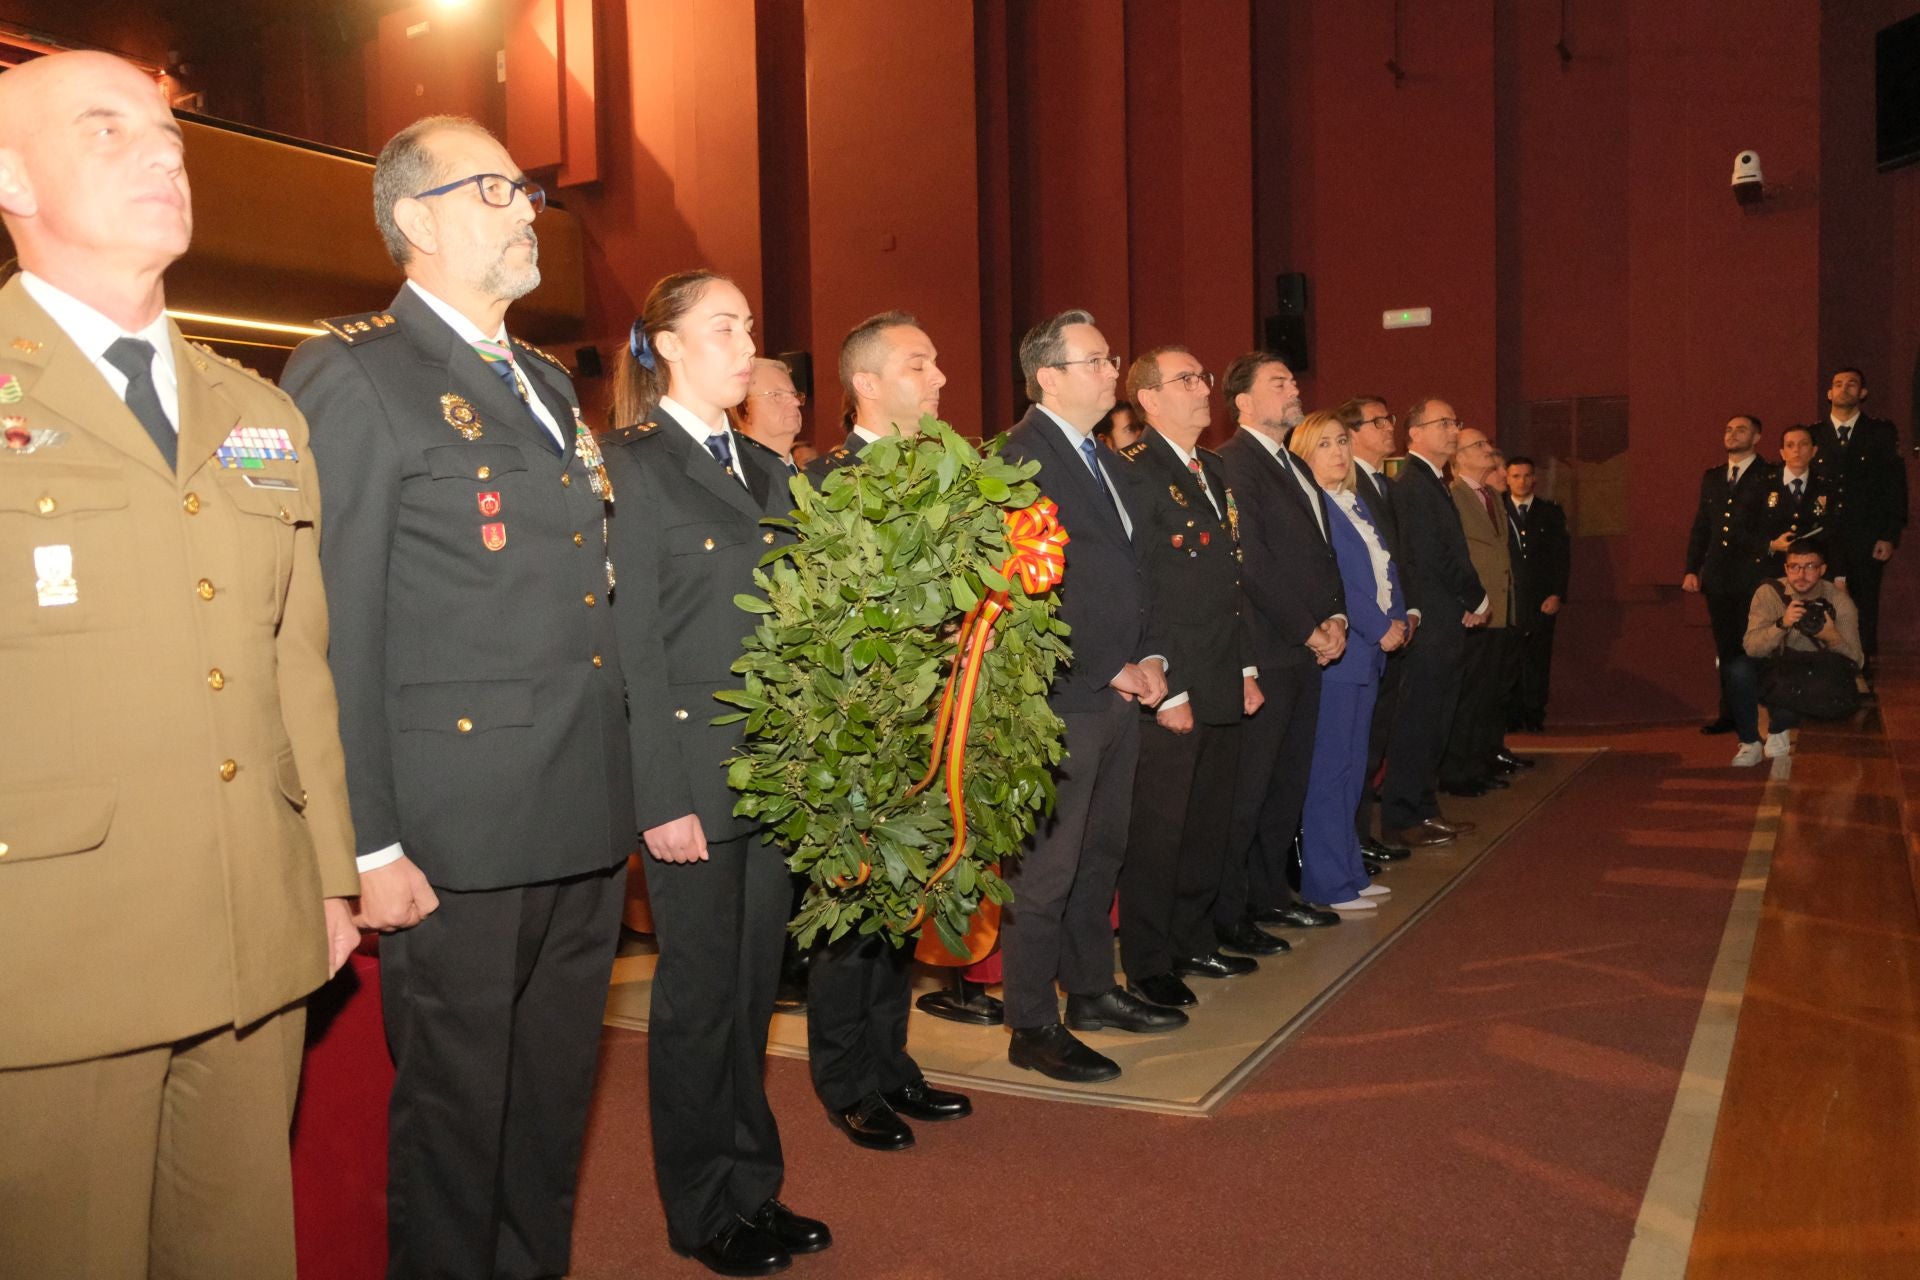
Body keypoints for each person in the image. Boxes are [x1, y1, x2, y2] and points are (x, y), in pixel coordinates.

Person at [0, 51, 358, 1280]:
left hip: (251, 928)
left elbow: (292, 663)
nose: (163, 152)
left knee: (239, 1251)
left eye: (170, 132)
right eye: (107, 130)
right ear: (7, 174)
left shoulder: (257, 411)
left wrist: (326, 877)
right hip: (49, 946)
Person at [282, 114, 635, 1280]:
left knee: (546, 1109)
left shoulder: (538, 379)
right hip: (455, 831)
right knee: (454, 1123)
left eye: (528, 189)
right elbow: (336, 624)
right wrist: (366, 838)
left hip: (577, 809)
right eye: (498, 189)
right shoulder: (358, 369)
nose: (527, 207)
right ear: (419, 219)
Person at [600, 270, 832, 1277]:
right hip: (695, 773)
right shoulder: (631, 464)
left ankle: (753, 1183)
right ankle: (701, 1207)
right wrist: (660, 795)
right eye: (723, 326)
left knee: (748, 997)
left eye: (749, 325)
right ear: (665, 346)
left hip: (770, 776)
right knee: (698, 1002)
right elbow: (632, 645)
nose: (746, 345)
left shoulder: (766, 467)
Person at [798, 312, 972, 1152]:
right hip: (858, 728)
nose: (939, 377)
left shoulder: (944, 476)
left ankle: (890, 1058)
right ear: (867, 384)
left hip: (930, 723)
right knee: (852, 905)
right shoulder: (828, 481)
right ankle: (844, 1077)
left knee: (902, 901)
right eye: (919, 363)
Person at [997, 309, 1182, 1084]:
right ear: (1050, 377)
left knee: (1100, 854)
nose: (1114, 371)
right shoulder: (1020, 459)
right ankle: (1032, 1021)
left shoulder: (1099, 456)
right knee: (1046, 870)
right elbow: (1024, 592)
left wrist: (1152, 654)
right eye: (1098, 360)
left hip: (1116, 686)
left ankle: (1093, 992)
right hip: (1061, 697)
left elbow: (1132, 576)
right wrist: (1110, 663)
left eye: (1110, 359)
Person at [1111, 347, 1267, 1009]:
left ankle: (1194, 936)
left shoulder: (1211, 469)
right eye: (1186, 380)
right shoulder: (1135, 473)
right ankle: (1149, 961)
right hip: (1171, 679)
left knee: (1210, 818)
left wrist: (1248, 666)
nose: (1204, 389)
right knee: (1161, 829)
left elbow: (1232, 576)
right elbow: (1141, 588)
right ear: (1148, 398)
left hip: (1222, 667)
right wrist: (1167, 689)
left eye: (1204, 378)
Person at [1214, 355, 1349, 946]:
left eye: (1294, 380)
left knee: (1288, 783)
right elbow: (1252, 562)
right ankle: (1233, 911)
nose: (1295, 389)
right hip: (1268, 648)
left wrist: (1337, 615)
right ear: (1242, 402)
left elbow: (1322, 551)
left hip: (1306, 646)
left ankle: (1273, 895)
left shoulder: (1294, 462)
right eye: (1279, 383)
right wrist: (1306, 628)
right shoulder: (1232, 463)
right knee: (1252, 788)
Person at [1291, 413, 1407, 912]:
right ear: (1303, 454)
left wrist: (1400, 616)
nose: (1338, 452)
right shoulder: (1314, 507)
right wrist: (1381, 627)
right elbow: (1341, 585)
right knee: (1330, 771)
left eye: (1342, 441)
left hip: (1370, 654)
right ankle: (1327, 882)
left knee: (1354, 770)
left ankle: (1351, 873)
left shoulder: (1355, 501)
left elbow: (1386, 568)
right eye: (1324, 444)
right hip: (1344, 654)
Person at [1379, 399, 1486, 849]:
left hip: (1444, 616)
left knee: (1437, 718)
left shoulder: (1435, 482)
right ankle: (1404, 814)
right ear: (1415, 433)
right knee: (1419, 720)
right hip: (1431, 618)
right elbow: (1432, 556)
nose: (1452, 429)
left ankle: (1424, 807)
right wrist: (1475, 596)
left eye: (1454, 422)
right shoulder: (1413, 485)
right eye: (1443, 422)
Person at [1338, 395, 1419, 864]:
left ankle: (1360, 834)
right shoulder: (1349, 491)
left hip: (1392, 626)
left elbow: (1394, 560)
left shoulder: (1380, 485)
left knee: (1372, 740)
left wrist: (1411, 612)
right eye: (1379, 420)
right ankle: (1353, 837)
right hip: (1365, 634)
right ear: (1354, 433)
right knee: (1355, 747)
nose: (1390, 426)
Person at [1682, 414, 1778, 746]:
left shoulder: (1769, 476)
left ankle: (1760, 713)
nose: (1732, 434)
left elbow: (1770, 526)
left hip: (1753, 575)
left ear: (1757, 438)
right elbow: (1702, 526)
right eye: (1728, 429)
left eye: (1741, 430)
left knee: (1755, 645)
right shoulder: (1713, 477)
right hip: (1720, 576)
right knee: (1726, 648)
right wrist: (1692, 568)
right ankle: (1731, 713)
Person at [1808, 367, 1907, 677]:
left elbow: (1894, 486)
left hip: (1865, 534)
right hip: (1823, 536)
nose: (1844, 389)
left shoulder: (1880, 433)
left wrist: (1889, 534)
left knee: (1864, 602)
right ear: (1829, 393)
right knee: (1820, 601)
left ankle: (1861, 671)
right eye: (1838, 384)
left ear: (1863, 393)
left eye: (1852, 384)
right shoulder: (1812, 435)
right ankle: (1826, 670)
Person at [1731, 543, 1863, 764]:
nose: (1801, 574)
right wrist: (1781, 625)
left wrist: (1831, 636)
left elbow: (1857, 660)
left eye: (1810, 566)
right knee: (1737, 669)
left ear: (1822, 569)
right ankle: (1750, 742)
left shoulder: (1839, 601)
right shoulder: (1769, 593)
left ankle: (1781, 722)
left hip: (1818, 672)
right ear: (1785, 568)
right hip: (1779, 668)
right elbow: (1752, 647)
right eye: (1794, 567)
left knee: (1809, 684)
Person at [1442, 429, 1513, 796]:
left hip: (1497, 609)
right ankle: (1457, 771)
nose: (1489, 450)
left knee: (1488, 695)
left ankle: (1479, 763)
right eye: (1480, 446)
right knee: (1467, 697)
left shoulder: (1490, 496)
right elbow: (1456, 557)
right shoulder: (1453, 496)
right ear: (1460, 456)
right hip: (1472, 612)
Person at [1503, 455, 1568, 733]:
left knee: (1538, 660)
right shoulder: (1496, 510)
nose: (1522, 481)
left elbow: (1561, 557)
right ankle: (1512, 714)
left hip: (1541, 599)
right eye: (1516, 476)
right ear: (1507, 478)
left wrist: (1557, 594)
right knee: (1509, 660)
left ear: (1535, 478)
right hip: (1508, 600)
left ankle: (1534, 714)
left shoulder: (1550, 513)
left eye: (1527, 476)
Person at [732, 355, 806, 478]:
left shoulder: (811, 482)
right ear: (745, 407)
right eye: (776, 395)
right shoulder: (736, 479)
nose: (796, 402)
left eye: (794, 394)